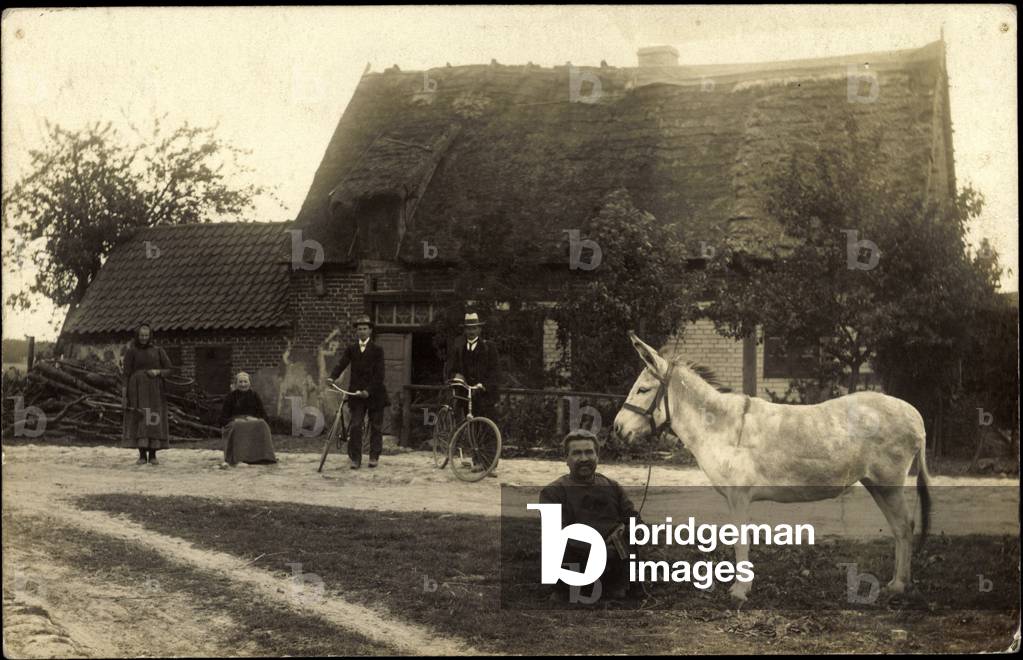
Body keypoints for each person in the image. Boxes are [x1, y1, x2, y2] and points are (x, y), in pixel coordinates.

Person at [539, 429, 641, 602]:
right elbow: (556, 536)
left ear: (597, 456)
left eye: (589, 452)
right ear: (566, 458)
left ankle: (618, 585)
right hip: (576, 562)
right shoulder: (552, 492)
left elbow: (634, 519)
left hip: (613, 559)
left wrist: (626, 532)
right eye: (577, 453)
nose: (584, 458)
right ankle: (569, 590)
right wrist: (599, 549)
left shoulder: (612, 486)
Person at [443, 311, 502, 474]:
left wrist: (484, 384)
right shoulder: (460, 349)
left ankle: (490, 465)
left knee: (488, 429)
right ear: (465, 330)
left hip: (485, 395)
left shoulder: (489, 347)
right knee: (473, 427)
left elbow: (495, 371)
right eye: (468, 328)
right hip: (467, 394)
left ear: (479, 330)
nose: (471, 331)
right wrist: (457, 377)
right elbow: (452, 368)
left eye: (474, 328)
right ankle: (477, 461)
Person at [328, 315, 389, 469]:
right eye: (359, 329)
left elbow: (380, 374)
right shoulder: (352, 349)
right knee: (355, 425)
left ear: (370, 331)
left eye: (364, 329)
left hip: (375, 394)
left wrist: (368, 391)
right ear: (356, 331)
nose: (362, 331)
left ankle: (374, 456)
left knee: (376, 426)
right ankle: (355, 458)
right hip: (356, 394)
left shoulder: (377, 350)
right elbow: (342, 363)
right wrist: (332, 377)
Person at [121, 323, 175, 465]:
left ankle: (152, 455)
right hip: (136, 390)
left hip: (155, 391)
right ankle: (142, 455)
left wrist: (158, 372)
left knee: (153, 419)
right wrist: (124, 394)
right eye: (141, 335)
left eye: (146, 335)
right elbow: (126, 374)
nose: (144, 338)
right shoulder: (131, 352)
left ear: (150, 336)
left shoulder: (158, 351)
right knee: (140, 418)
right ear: (137, 336)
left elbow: (170, 369)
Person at [219, 371, 276, 466]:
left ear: (249, 383)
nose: (243, 384)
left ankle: (263, 456)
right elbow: (222, 419)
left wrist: (256, 419)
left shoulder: (254, 396)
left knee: (262, 424)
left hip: (251, 421)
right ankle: (239, 458)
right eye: (240, 382)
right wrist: (234, 420)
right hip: (235, 423)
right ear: (236, 383)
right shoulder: (230, 397)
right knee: (238, 425)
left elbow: (264, 416)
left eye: (245, 382)